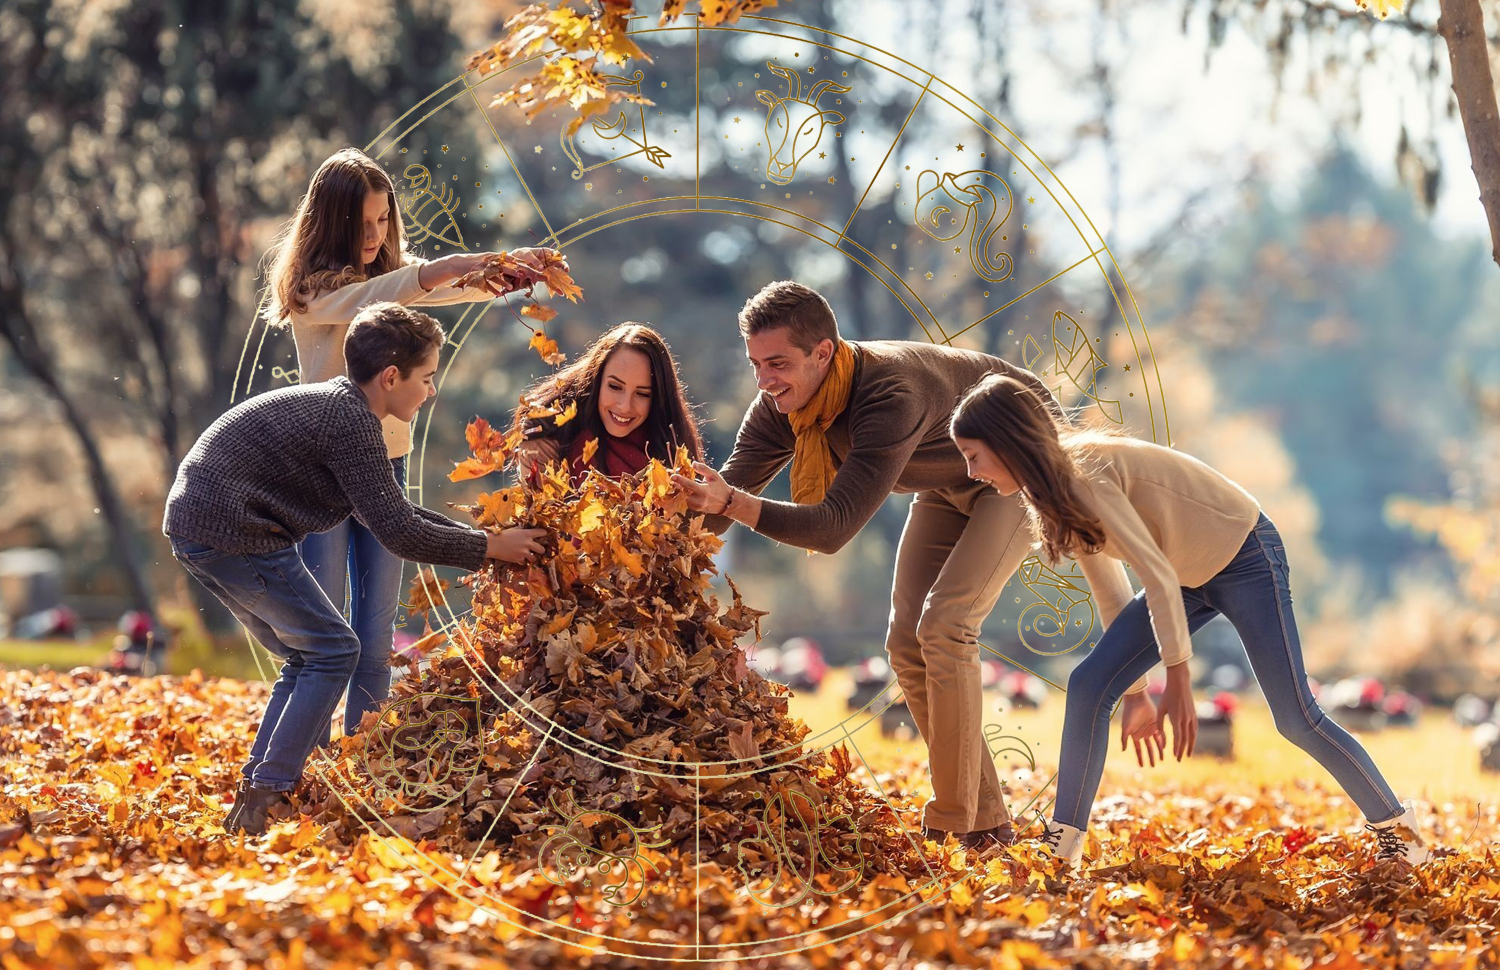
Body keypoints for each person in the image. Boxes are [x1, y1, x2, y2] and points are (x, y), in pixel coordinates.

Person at [947, 373, 1430, 867]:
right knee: (1091, 683)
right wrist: (1135, 692)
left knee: (1296, 718)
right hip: (1185, 575)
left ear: (1006, 442)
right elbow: (1111, 586)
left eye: (973, 455)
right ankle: (1063, 842)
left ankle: (1400, 832)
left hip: (1245, 555)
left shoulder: (1082, 473)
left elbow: (1154, 571)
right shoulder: (1048, 495)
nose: (971, 471)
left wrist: (1177, 678)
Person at [671, 281, 1059, 851]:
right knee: (907, 645)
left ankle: (959, 823)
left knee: (946, 625)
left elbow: (832, 527)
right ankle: (988, 820)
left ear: (824, 353)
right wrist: (654, 545)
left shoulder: (889, 394)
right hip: (947, 480)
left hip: (1017, 469)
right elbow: (728, 497)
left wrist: (733, 502)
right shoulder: (781, 405)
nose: (765, 380)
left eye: (778, 363)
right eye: (756, 365)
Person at [163, 303, 546, 836]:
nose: (431, 392)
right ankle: (267, 797)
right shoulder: (349, 421)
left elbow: (396, 513)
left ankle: (258, 795)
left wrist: (487, 540)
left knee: (309, 654)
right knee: (336, 650)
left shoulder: (342, 411)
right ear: (391, 377)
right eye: (427, 378)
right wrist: (488, 548)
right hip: (231, 529)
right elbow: (400, 533)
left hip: (206, 525)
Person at [261, 146, 555, 737]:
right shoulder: (312, 293)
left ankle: (364, 758)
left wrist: (507, 275)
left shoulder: (385, 281)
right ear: (331, 223)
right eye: (361, 223)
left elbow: (433, 287)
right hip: (319, 475)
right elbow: (402, 286)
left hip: (386, 468)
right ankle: (305, 762)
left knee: (374, 636)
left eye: (382, 220)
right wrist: (459, 264)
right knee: (325, 639)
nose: (374, 235)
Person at [514, 323, 705, 485]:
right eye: (615, 387)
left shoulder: (670, 448)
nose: (625, 406)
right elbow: (541, 524)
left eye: (642, 394)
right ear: (596, 379)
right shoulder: (545, 437)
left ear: (658, 399)